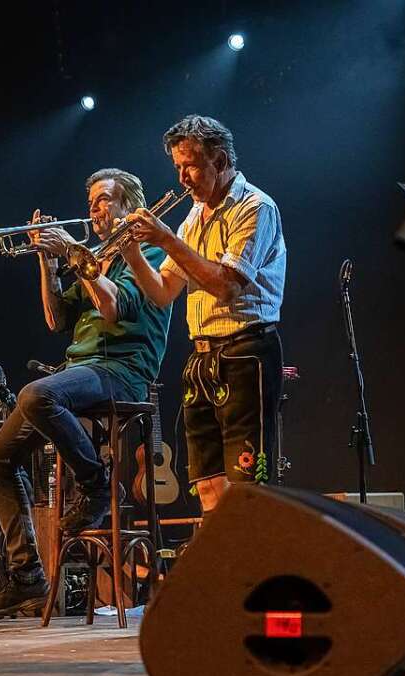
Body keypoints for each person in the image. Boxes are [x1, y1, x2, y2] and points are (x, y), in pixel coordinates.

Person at [0, 168, 171, 617]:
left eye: (104, 200)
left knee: (36, 395)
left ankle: (97, 487)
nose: (94, 209)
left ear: (127, 206)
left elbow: (114, 308)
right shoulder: (95, 254)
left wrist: (77, 256)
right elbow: (56, 321)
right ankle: (27, 576)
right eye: (92, 201)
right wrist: (48, 261)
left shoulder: (149, 251)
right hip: (83, 366)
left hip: (124, 369)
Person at [123, 114, 286, 515]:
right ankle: (221, 571)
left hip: (246, 351)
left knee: (246, 482)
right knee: (208, 480)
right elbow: (162, 294)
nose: (182, 178)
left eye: (191, 165)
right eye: (178, 167)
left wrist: (165, 238)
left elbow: (226, 285)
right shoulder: (194, 216)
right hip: (202, 357)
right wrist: (131, 253)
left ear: (220, 159)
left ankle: (251, 571)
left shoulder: (255, 207)